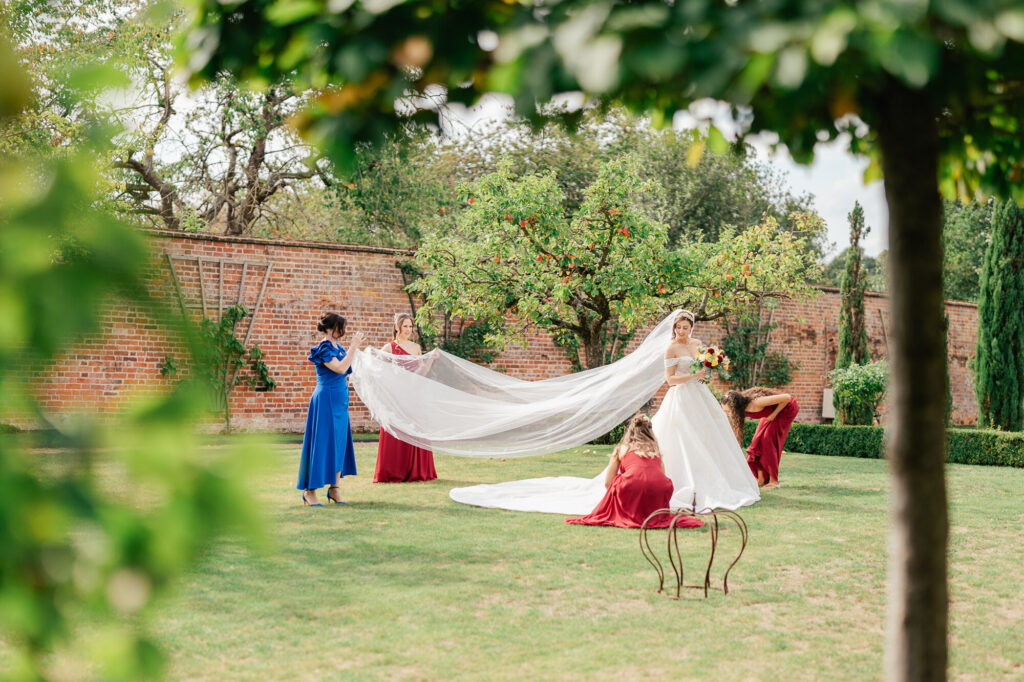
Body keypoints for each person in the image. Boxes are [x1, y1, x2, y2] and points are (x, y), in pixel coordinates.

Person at [650, 310, 762, 511]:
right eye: (678, 327)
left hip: (701, 394)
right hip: (682, 396)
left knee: (709, 434)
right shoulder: (671, 348)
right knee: (684, 436)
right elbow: (670, 380)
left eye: (685, 327)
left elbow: (703, 370)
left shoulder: (698, 344)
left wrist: (705, 374)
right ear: (674, 327)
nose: (681, 331)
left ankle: (718, 480)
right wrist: (693, 376)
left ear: (691, 327)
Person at [566, 413, 703, 529]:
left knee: (622, 480)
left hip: (632, 486)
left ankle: (631, 512)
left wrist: (618, 503)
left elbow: (608, 482)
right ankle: (648, 511)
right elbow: (660, 477)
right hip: (659, 490)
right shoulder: (655, 451)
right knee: (647, 483)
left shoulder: (622, 449)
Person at [297, 312, 366, 506]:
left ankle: (334, 489)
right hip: (325, 400)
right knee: (322, 443)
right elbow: (340, 368)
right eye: (339, 327)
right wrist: (354, 346)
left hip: (340, 401)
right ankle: (309, 492)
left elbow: (349, 369)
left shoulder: (340, 348)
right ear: (329, 329)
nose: (343, 331)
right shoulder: (323, 348)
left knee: (338, 443)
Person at [373, 312, 437, 483]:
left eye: (410, 326)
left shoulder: (416, 348)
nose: (408, 329)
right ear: (397, 327)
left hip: (414, 395)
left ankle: (417, 471)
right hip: (396, 396)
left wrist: (430, 359)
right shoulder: (389, 348)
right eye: (405, 326)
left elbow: (421, 373)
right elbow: (377, 370)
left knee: (417, 429)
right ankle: (394, 471)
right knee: (397, 431)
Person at [721, 387, 799, 489]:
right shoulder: (740, 408)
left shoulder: (756, 402)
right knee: (756, 442)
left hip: (786, 409)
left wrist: (773, 415)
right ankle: (761, 479)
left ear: (735, 406)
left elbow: (787, 398)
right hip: (771, 412)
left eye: (728, 411)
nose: (727, 414)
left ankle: (774, 481)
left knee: (768, 443)